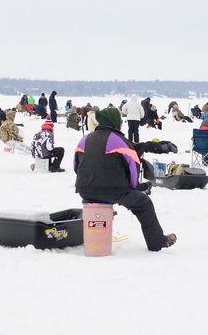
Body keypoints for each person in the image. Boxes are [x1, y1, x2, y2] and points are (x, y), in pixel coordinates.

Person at [73, 107, 175, 251]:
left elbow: (76, 166)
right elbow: (134, 168)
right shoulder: (120, 141)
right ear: (115, 121)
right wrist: (133, 188)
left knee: (100, 197)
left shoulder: (84, 140)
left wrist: (87, 181)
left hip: (85, 190)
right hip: (115, 191)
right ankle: (157, 242)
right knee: (144, 204)